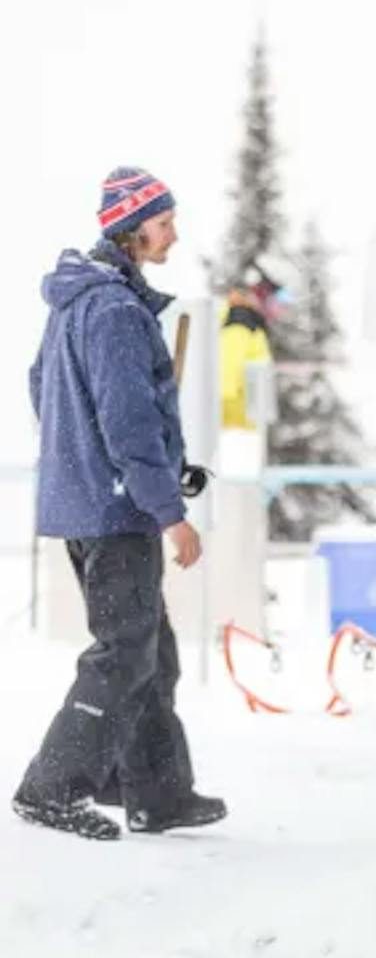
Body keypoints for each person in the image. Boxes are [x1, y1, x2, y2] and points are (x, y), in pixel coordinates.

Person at [14, 167, 226, 841]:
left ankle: (156, 793)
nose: (174, 233)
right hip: (113, 513)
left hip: (97, 501)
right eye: (164, 223)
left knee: (149, 654)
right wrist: (168, 511)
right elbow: (128, 422)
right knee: (126, 651)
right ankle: (52, 786)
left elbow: (43, 385)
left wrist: (158, 471)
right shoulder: (112, 310)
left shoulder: (81, 303)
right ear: (133, 230)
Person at [218, 267, 284, 430]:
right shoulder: (240, 321)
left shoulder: (250, 324)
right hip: (235, 420)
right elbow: (229, 368)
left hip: (243, 418)